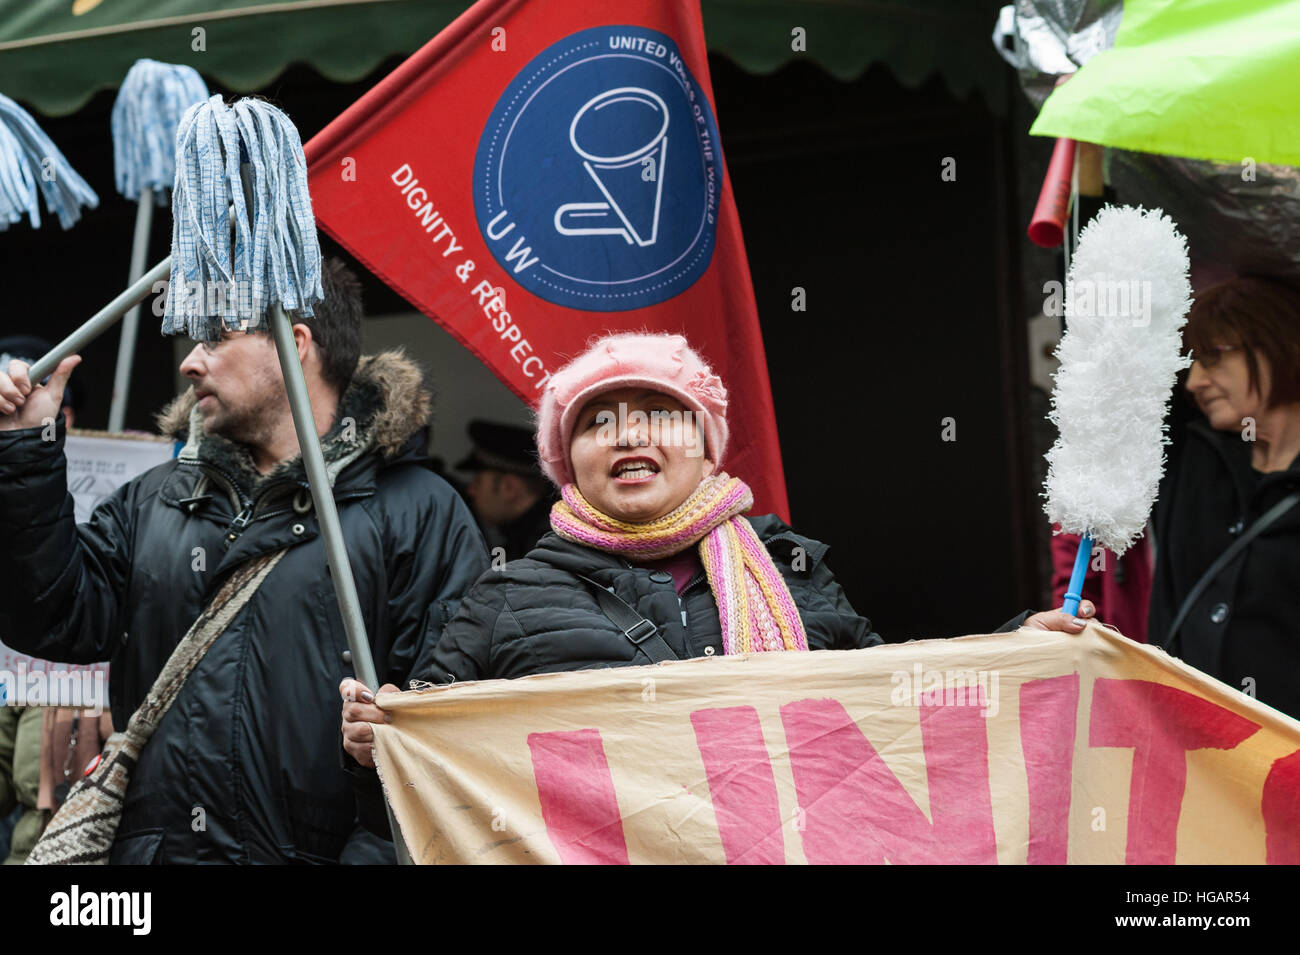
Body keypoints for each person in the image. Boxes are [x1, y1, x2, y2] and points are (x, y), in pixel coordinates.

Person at [342, 332, 1094, 787]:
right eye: (598, 420)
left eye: (660, 413)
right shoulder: (504, 597)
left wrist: (1015, 649)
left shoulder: (792, 568)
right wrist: (377, 744)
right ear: (566, 459)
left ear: (706, 446)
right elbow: (425, 770)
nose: (628, 435)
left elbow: (892, 710)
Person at [0, 259, 489, 864]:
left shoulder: (420, 512)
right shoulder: (154, 499)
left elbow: (447, 736)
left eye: (215, 337)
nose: (189, 360)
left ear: (294, 344)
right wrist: (26, 453)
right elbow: (52, 617)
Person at [1148, 275, 1300, 717]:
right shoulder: (1189, 453)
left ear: (1280, 344)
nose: (1194, 382)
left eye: (1212, 358)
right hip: (1184, 755)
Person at [457, 418, 558, 561]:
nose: (470, 490)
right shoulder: (527, 539)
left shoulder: (541, 549)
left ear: (509, 487)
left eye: (478, 482)